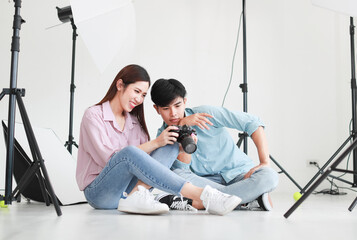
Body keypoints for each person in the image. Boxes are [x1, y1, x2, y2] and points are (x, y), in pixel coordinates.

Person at [75, 64, 242, 215]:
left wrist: (177, 146)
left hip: (126, 192)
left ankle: (135, 197)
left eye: (143, 95)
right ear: (120, 85)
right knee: (130, 152)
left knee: (170, 142)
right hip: (100, 193)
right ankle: (203, 194)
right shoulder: (94, 115)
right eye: (136, 91)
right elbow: (112, 160)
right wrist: (156, 142)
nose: (139, 99)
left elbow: (146, 164)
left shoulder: (134, 122)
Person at [150, 78, 279, 211]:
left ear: (185, 102)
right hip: (204, 184)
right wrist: (181, 128)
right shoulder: (163, 136)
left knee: (269, 176)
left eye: (177, 105)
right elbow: (183, 171)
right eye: (166, 108)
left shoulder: (206, 113)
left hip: (240, 174)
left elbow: (253, 123)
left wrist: (264, 162)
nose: (173, 113)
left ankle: (203, 203)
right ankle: (246, 199)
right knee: (176, 175)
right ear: (157, 109)